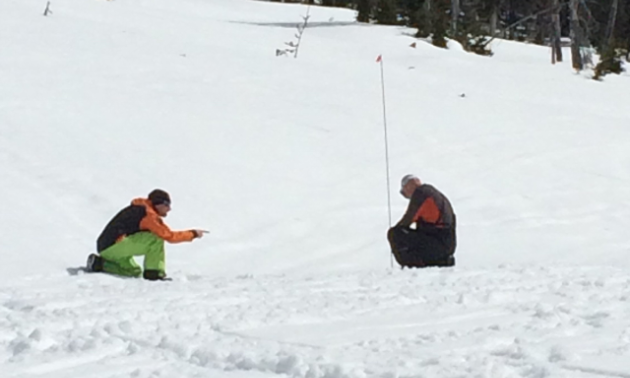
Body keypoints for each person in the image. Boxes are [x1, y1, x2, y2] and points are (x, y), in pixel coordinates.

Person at [86, 189, 206, 280]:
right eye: (167, 205)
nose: (169, 209)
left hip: (107, 248)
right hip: (115, 245)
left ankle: (100, 264)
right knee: (156, 238)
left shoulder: (142, 210)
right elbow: (168, 236)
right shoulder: (149, 216)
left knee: (134, 272)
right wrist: (193, 234)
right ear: (159, 204)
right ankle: (154, 273)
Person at [388, 175, 456, 268]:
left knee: (395, 233)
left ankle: (412, 265)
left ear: (408, 186)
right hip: (446, 245)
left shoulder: (421, 194)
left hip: (438, 244)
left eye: (403, 192)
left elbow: (407, 220)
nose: (406, 196)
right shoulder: (433, 193)